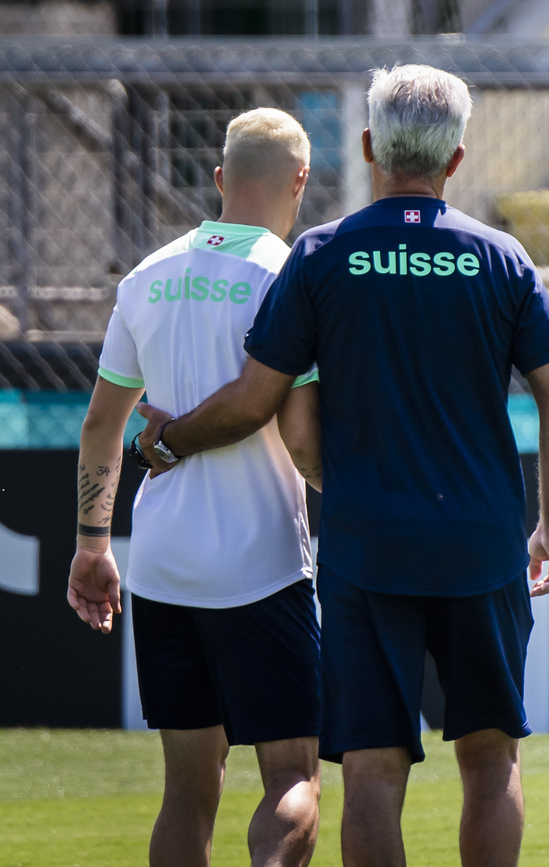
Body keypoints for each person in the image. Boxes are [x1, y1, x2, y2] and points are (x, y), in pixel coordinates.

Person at [135, 65, 549, 867]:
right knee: (490, 758)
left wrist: (171, 441)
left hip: (365, 545)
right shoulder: (503, 258)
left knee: (374, 770)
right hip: (479, 546)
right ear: (455, 160)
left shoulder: (320, 255)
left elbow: (254, 401)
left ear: (371, 147)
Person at [67, 108, 324, 867]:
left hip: (164, 565)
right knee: (292, 774)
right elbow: (304, 433)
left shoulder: (146, 275)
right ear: (300, 181)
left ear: (218, 180)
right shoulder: (291, 273)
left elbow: (101, 426)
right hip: (262, 563)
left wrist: (91, 543)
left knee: (187, 789)